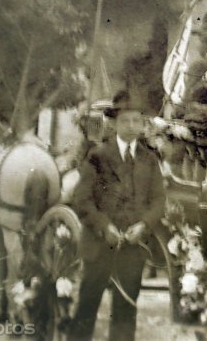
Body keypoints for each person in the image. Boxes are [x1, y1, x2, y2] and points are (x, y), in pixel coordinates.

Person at [69, 90, 165, 341]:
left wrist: (144, 225)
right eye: (125, 121)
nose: (131, 126)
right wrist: (104, 227)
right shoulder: (98, 156)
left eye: (136, 121)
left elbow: (158, 201)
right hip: (99, 247)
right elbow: (82, 199)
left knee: (125, 313)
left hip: (132, 250)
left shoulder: (149, 160)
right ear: (114, 124)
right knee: (86, 308)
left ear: (143, 124)